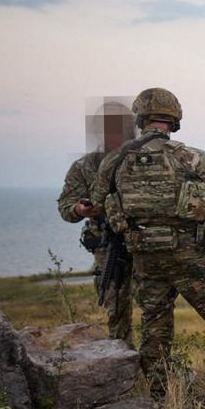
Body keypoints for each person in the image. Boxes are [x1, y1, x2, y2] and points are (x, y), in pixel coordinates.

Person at [92, 87, 205, 402]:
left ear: (140, 118)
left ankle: (162, 391)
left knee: (155, 320)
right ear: (174, 120)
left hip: (144, 254)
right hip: (190, 252)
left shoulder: (115, 160)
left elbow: (98, 203)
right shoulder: (190, 156)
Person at [57, 99, 135, 345]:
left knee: (157, 310)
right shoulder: (85, 166)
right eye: (109, 129)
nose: (114, 135)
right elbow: (66, 206)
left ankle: (158, 371)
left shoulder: (143, 160)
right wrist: (79, 209)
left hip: (144, 243)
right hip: (109, 248)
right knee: (116, 312)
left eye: (119, 129)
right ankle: (123, 364)